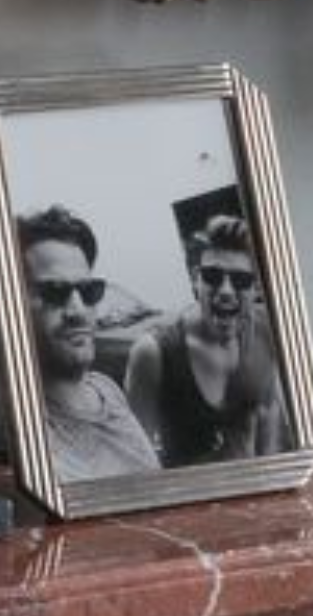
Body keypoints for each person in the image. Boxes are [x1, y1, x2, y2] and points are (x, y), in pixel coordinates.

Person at [124, 194, 290, 466]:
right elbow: (134, 456)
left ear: (256, 288)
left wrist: (269, 474)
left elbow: (268, 407)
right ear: (195, 278)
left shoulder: (264, 331)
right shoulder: (153, 353)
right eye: (213, 277)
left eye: (240, 280)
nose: (225, 291)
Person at [17, 206, 161, 482]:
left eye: (88, 291)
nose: (78, 310)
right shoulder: (26, 430)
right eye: (55, 293)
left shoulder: (105, 388)